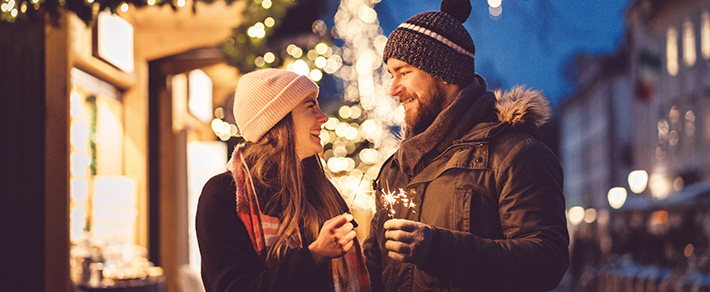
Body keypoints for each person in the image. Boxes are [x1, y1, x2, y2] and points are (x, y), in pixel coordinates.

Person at [362, 0, 569, 291]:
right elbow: (373, 266)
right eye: (391, 74)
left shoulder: (513, 154)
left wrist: (439, 250)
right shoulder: (396, 168)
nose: (393, 89)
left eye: (404, 72)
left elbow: (545, 262)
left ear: (443, 71)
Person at [196, 69, 370, 292]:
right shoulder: (223, 194)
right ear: (278, 120)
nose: (323, 117)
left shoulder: (322, 191)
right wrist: (315, 255)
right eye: (310, 106)